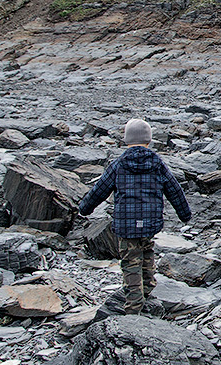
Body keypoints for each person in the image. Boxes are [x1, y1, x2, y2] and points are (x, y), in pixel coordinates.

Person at [79, 118, 191, 316]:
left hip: (126, 224)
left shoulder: (119, 164)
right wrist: (185, 214)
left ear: (126, 139)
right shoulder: (157, 163)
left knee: (130, 262)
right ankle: (147, 290)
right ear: (148, 140)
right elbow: (174, 190)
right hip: (149, 222)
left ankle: (133, 305)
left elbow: (100, 190)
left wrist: (85, 208)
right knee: (147, 253)